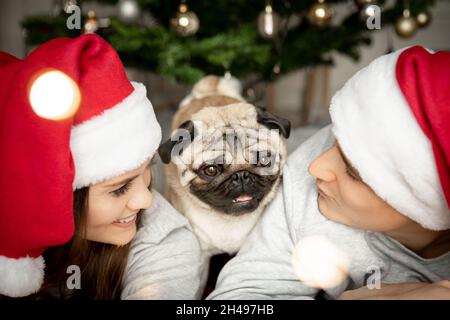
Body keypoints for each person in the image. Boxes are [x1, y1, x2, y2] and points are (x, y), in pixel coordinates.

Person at [207, 46, 450, 300]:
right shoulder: (305, 180)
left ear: (426, 206)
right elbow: (238, 297)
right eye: (335, 137)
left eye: (353, 172)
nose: (315, 167)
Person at [0, 34, 203, 299]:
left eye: (147, 169)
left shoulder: (165, 243)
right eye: (119, 188)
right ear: (55, 196)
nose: (146, 200)